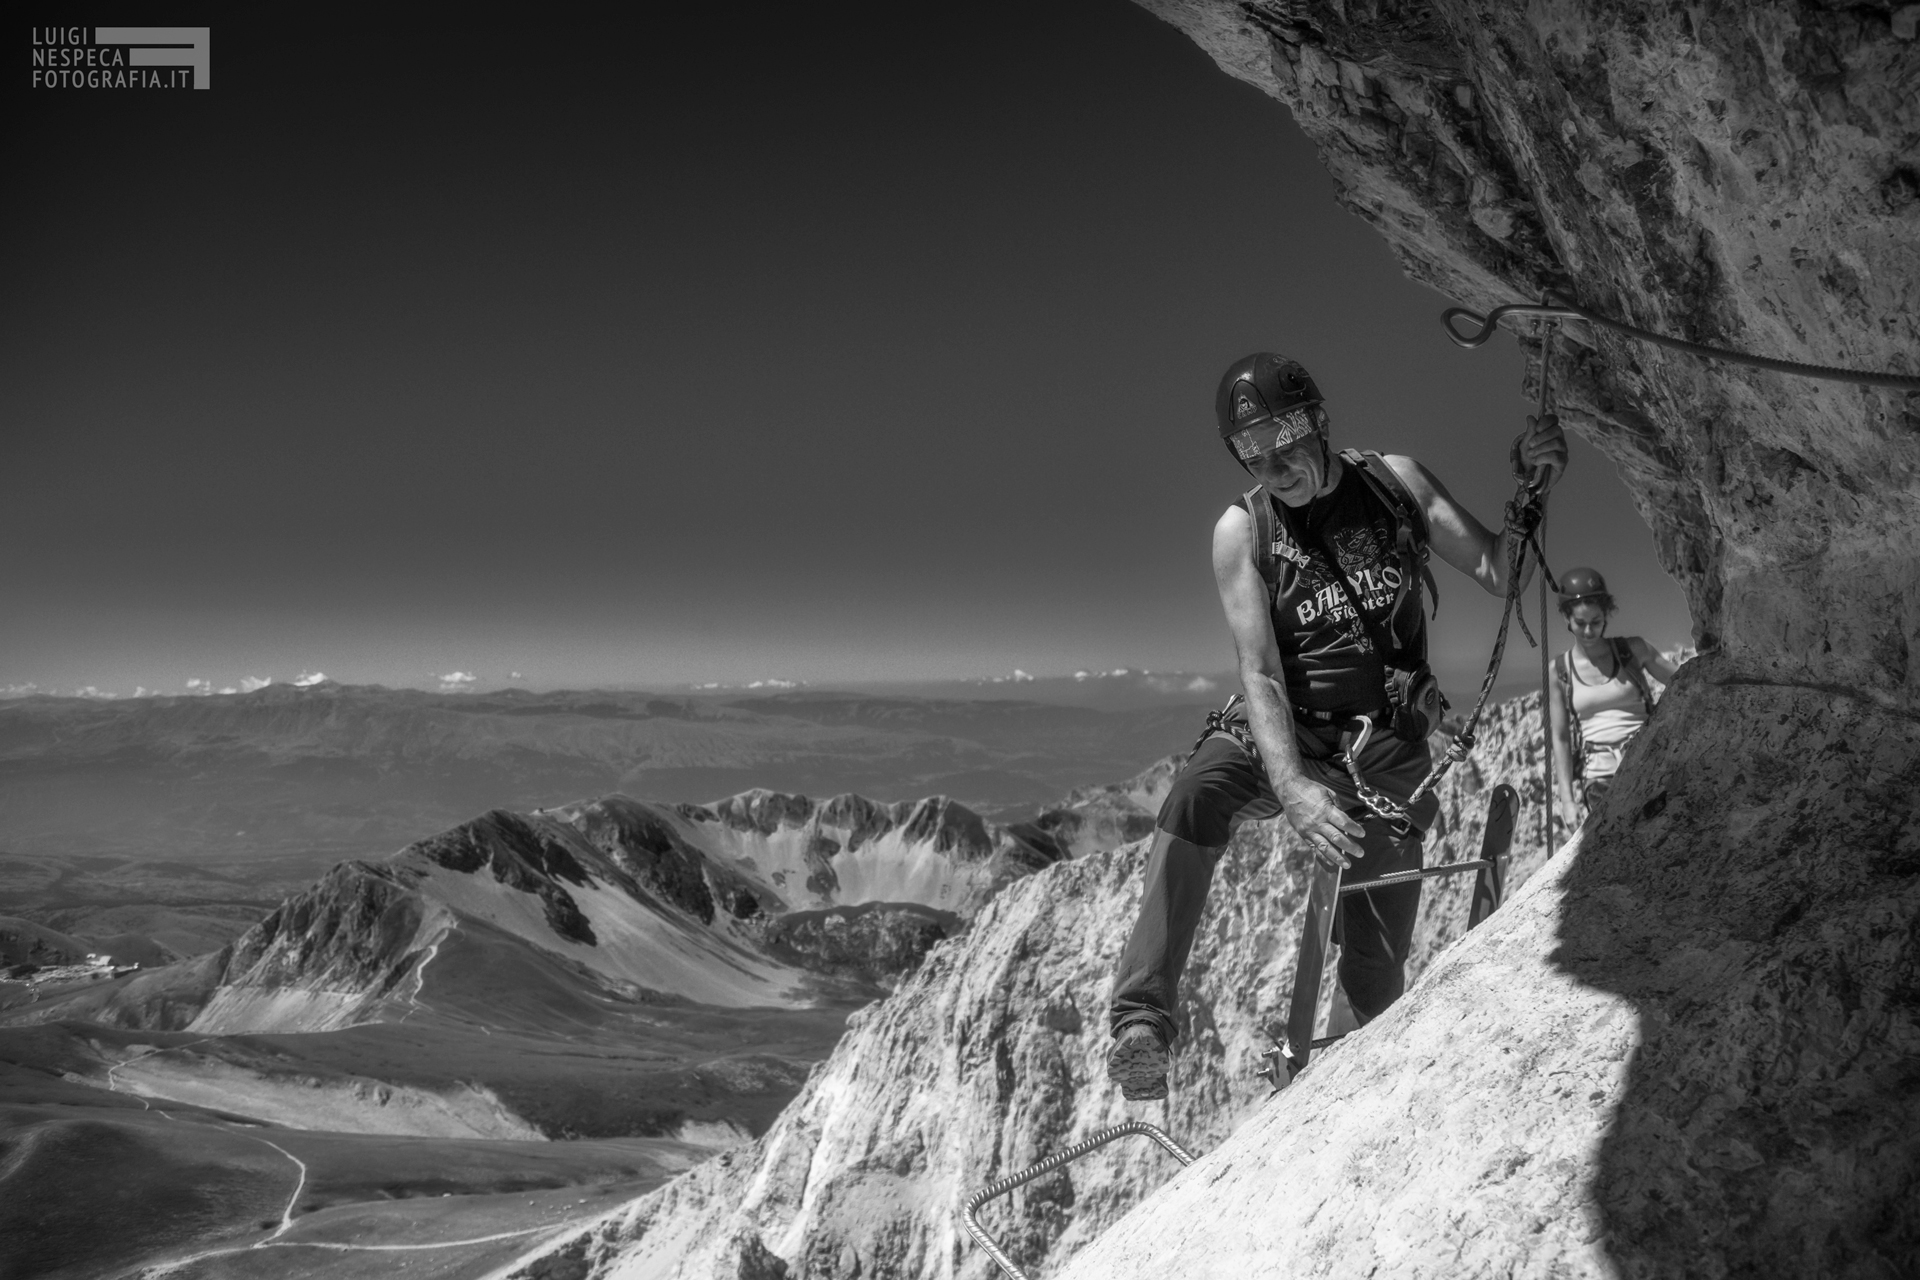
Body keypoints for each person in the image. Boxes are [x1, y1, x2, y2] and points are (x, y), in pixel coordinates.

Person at [1105, 352, 1567, 1101]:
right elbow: (1258, 671)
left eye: (1286, 435)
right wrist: (1288, 784)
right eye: (1252, 450)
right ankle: (1143, 1019)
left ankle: (1350, 1088)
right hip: (1285, 733)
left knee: (1377, 972)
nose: (1277, 462)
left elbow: (1500, 569)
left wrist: (1533, 485)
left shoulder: (1396, 485)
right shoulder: (1242, 529)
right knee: (1198, 791)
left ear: (1318, 421)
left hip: (1386, 747)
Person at [1547, 567, 1680, 817]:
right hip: (1599, 776)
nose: (1589, 631)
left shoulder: (1633, 649)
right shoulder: (1559, 671)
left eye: (1596, 622)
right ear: (1566, 619)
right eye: (1580, 623)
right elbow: (1561, 737)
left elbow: (1682, 681)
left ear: (1606, 615)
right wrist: (1566, 799)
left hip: (1647, 760)